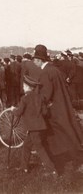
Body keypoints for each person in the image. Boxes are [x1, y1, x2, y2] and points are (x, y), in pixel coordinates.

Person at [32, 44, 83, 174]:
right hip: (63, 106)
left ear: (39, 60)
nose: (34, 62)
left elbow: (46, 94)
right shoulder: (55, 69)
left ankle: (67, 161)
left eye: (34, 60)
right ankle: (64, 159)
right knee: (68, 131)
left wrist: (36, 103)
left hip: (55, 110)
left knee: (60, 134)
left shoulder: (46, 73)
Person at [11, 75, 57, 176]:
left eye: (24, 86)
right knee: (27, 146)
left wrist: (12, 109)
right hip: (40, 127)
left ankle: (52, 170)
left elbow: (19, 112)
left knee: (40, 149)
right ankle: (24, 167)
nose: (23, 87)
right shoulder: (40, 97)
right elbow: (45, 113)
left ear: (28, 87)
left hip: (33, 128)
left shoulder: (25, 98)